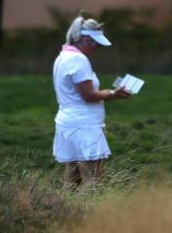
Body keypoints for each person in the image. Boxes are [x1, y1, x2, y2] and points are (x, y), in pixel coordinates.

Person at [52, 13, 130, 189]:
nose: (96, 48)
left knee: (71, 179)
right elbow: (88, 95)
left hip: (68, 123)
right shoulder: (78, 60)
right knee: (92, 179)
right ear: (86, 39)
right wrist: (113, 94)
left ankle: (63, 213)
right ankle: (87, 216)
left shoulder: (62, 57)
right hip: (84, 126)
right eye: (95, 43)